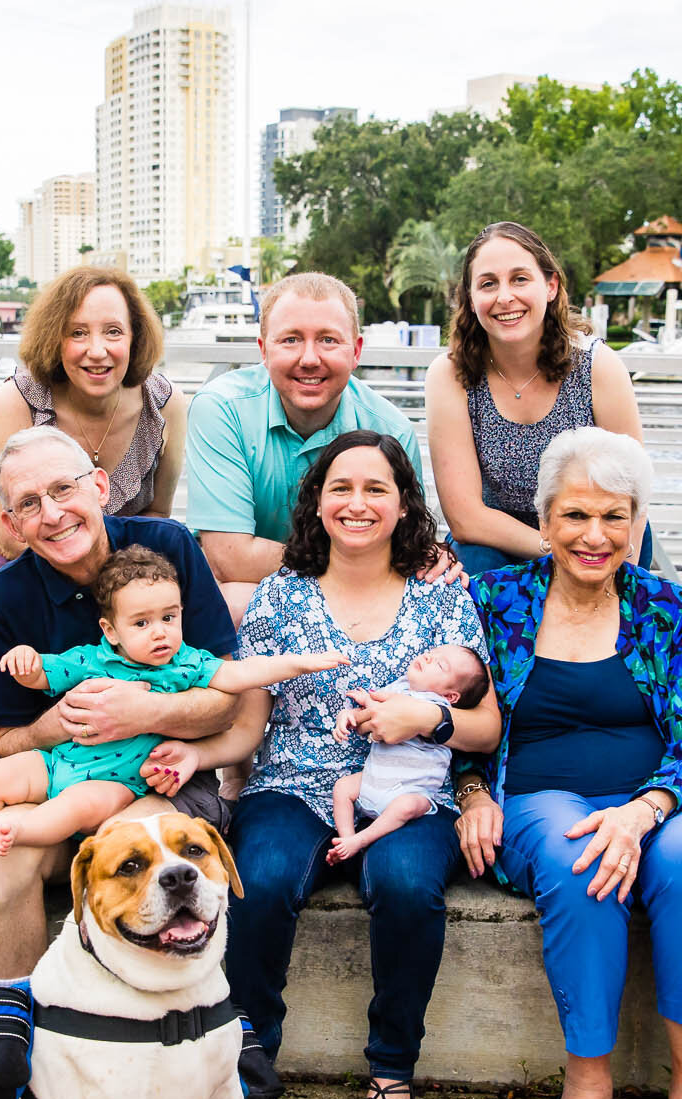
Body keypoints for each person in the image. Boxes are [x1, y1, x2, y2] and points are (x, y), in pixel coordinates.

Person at [453, 428, 682, 1099]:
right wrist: (470, 794)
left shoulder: (670, 608)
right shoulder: (494, 600)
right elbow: (454, 718)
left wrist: (643, 810)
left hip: (669, 795)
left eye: (615, 517)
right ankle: (587, 1084)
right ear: (546, 517)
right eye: (576, 515)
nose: (595, 536)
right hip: (540, 794)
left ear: (638, 522)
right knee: (576, 855)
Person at [171, 431, 498, 1099]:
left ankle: (391, 1069)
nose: (357, 502)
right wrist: (195, 754)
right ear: (316, 502)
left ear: (403, 502)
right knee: (259, 875)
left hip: (409, 790)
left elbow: (486, 724)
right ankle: (244, 1070)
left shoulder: (440, 594)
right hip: (294, 782)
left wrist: (431, 717)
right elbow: (250, 720)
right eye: (340, 487)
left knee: (409, 883)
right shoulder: (281, 595)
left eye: (376, 488)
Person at [0, 426, 241, 980]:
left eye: (63, 490)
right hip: (63, 774)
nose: (52, 514)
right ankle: (11, 1020)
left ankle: (137, 1013)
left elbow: (227, 698)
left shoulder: (167, 547)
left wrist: (145, 713)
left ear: (99, 486)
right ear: (12, 525)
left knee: (125, 845)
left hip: (162, 778)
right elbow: (3, 743)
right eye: (28, 504)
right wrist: (51, 724)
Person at [0, 547, 344, 891]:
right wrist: (25, 661)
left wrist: (299, 663)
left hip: (115, 785)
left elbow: (240, 674)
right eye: (141, 623)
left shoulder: (185, 665)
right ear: (111, 630)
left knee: (73, 807)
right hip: (60, 762)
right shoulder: (93, 659)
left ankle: (22, 831)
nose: (160, 632)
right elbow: (43, 674)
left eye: (169, 617)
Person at [182, 272, 450, 620]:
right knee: (230, 601)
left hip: (356, 598)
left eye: (327, 340)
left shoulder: (391, 429)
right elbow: (229, 558)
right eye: (291, 340)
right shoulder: (221, 408)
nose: (309, 358)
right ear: (263, 350)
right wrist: (350, 566)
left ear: (355, 351)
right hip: (261, 593)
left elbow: (403, 547)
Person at [425, 222, 649, 578]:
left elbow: (634, 489)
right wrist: (558, 549)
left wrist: (611, 570)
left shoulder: (597, 366)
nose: (504, 297)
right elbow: (465, 516)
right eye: (488, 284)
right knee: (475, 564)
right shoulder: (450, 375)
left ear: (550, 285)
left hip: (596, 532)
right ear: (469, 299)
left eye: (519, 279)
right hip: (496, 539)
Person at [0, 264, 184, 564]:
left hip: (117, 560)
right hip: (26, 547)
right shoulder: (17, 400)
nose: (96, 350)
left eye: (113, 332)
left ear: (135, 337)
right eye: (77, 333)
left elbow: (156, 517)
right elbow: (7, 540)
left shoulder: (165, 404)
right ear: (55, 338)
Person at [328, 645, 488, 866]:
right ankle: (346, 841)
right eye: (432, 653)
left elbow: (398, 713)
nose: (428, 657)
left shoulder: (437, 705)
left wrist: (370, 703)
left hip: (409, 790)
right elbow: (375, 713)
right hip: (374, 780)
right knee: (342, 788)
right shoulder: (401, 686)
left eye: (440, 664)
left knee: (409, 806)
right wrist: (349, 715)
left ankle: (360, 839)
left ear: (451, 696)